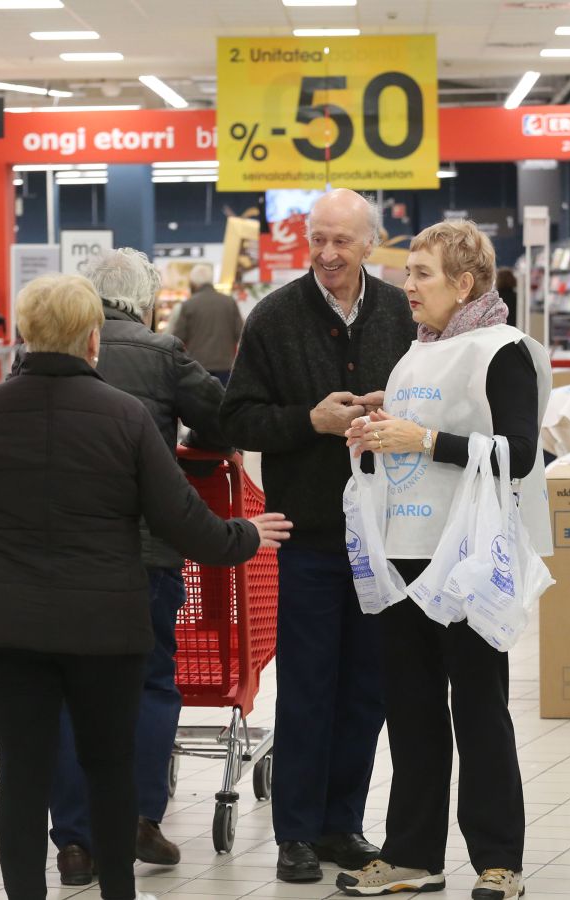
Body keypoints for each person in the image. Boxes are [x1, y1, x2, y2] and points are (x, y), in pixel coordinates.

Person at [0, 273, 291, 900]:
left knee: (20, 774)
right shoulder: (125, 417)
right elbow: (182, 521)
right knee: (110, 766)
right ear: (93, 341)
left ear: (24, 335)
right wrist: (246, 536)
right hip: (107, 626)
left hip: (5, 627)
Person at [336, 220, 551, 900]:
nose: (407, 286)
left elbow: (519, 454)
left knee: (479, 709)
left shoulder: (502, 351)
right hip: (404, 554)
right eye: (407, 273)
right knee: (411, 709)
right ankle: (411, 854)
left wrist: (423, 438)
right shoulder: (414, 354)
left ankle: (498, 860)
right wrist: (377, 430)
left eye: (422, 274)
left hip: (466, 559)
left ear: (464, 283)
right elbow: (417, 438)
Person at [220, 188, 414, 883]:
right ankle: (295, 833)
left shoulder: (399, 311)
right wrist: (311, 421)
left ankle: (341, 824)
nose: (328, 255)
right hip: (309, 536)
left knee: (367, 689)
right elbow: (236, 418)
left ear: (369, 243)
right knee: (307, 687)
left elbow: (432, 402)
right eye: (317, 241)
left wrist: (397, 408)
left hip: (388, 537)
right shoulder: (274, 316)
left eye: (342, 241)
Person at [47, 248, 231, 884]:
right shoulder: (163, 352)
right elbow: (220, 420)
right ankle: (140, 819)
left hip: (64, 556)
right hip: (148, 552)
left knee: (69, 694)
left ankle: (73, 843)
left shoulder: (54, 349)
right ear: (146, 299)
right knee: (152, 682)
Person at [172, 262, 243, 385]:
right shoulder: (229, 302)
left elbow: (178, 337)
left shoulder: (188, 305)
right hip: (225, 365)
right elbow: (240, 334)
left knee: (201, 402)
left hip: (198, 366)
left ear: (193, 282)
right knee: (222, 400)